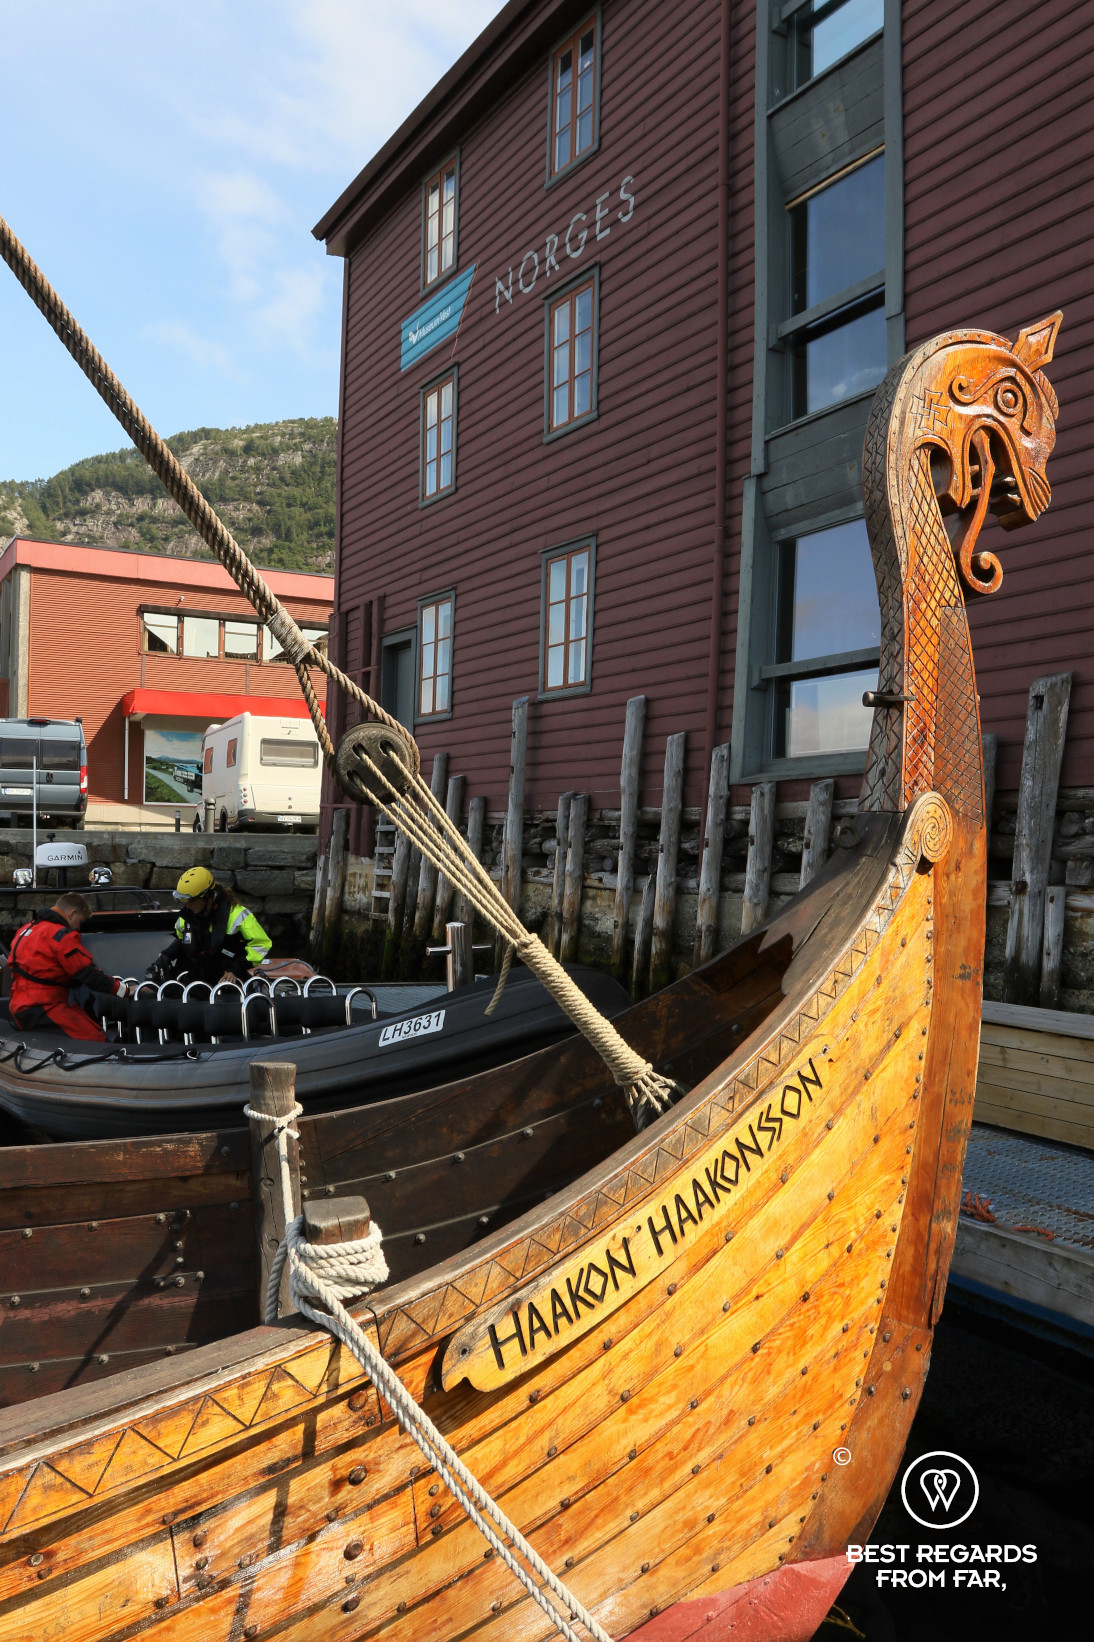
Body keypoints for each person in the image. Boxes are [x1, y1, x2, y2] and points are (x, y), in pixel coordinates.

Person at [8, 892, 127, 1040]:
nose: (78, 928)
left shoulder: (25, 930)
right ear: (73, 913)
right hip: (44, 1006)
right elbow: (87, 973)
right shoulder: (60, 935)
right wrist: (124, 990)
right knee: (97, 1041)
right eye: (80, 921)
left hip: (20, 1006)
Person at [147, 867, 271, 986]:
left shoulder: (237, 915)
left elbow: (261, 944)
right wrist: (166, 955)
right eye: (183, 901)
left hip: (227, 983)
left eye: (190, 900)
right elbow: (183, 941)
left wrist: (235, 968)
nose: (187, 906)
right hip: (196, 982)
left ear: (206, 896)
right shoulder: (186, 918)